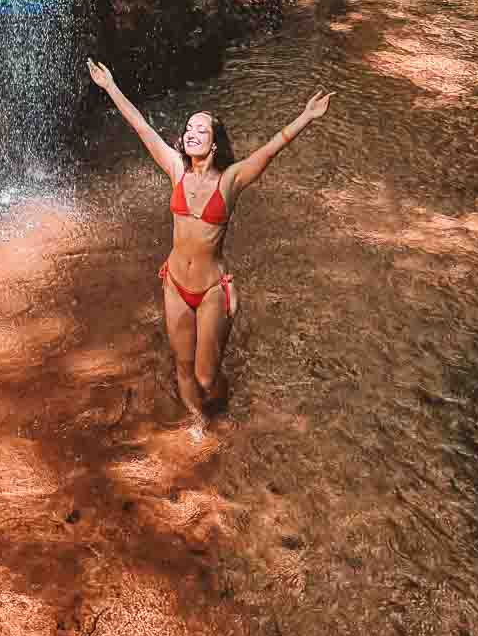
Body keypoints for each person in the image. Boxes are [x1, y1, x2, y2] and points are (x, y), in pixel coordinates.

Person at [86, 59, 333, 423]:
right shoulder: (176, 168)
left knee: (206, 377)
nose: (191, 133)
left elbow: (270, 149)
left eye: (201, 130)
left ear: (215, 144)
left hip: (211, 289)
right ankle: (199, 424)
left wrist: (306, 117)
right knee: (183, 368)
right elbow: (141, 127)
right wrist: (110, 87)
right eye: (188, 128)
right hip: (175, 284)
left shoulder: (231, 179)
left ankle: (224, 406)